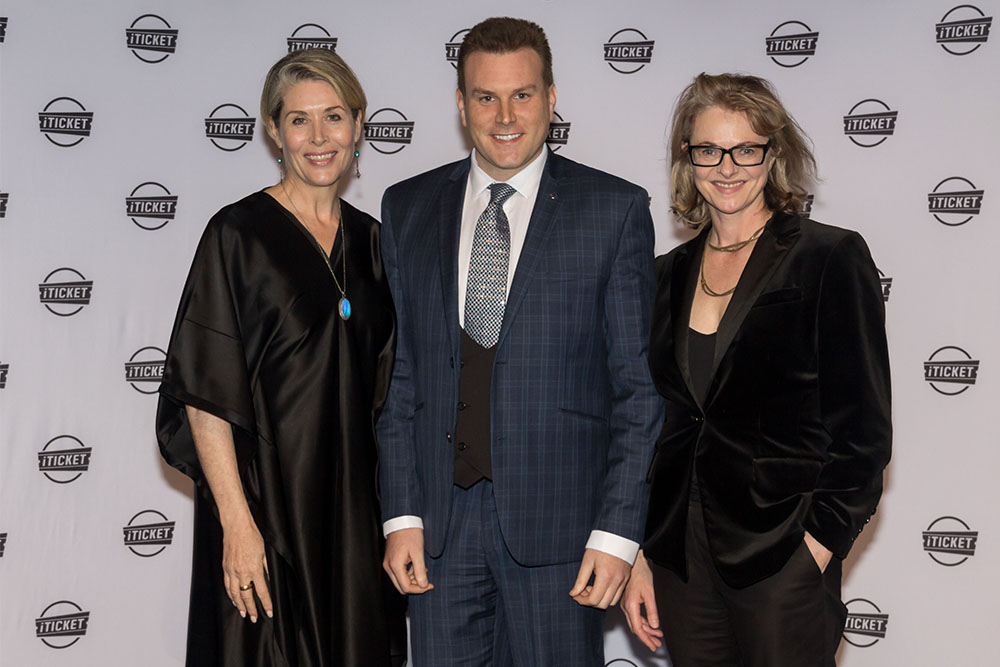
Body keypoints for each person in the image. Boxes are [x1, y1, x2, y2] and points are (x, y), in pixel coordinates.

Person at [377, 16, 662, 667]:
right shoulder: (408, 208)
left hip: (563, 534)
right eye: (485, 97)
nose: (505, 114)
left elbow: (639, 392)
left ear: (551, 97)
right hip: (440, 533)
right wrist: (402, 516)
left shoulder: (612, 210)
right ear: (460, 104)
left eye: (523, 94)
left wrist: (619, 532)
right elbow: (401, 381)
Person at [621, 72, 892, 666]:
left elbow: (864, 434)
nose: (727, 166)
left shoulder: (828, 257)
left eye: (746, 148)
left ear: (773, 155)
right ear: (687, 159)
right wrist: (642, 553)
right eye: (708, 149)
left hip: (780, 550)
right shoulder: (664, 276)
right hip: (681, 560)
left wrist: (814, 552)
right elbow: (654, 427)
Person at [156, 48, 405, 666]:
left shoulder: (378, 243)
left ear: (358, 124)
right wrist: (238, 526)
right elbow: (204, 394)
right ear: (273, 129)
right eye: (299, 120)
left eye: (334, 117)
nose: (319, 138)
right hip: (264, 510)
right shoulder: (236, 235)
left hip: (355, 521)